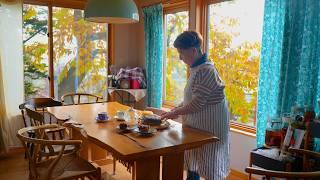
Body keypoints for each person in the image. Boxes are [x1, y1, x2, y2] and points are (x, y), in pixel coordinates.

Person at [160, 31, 230, 180]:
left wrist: (175, 113)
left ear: (193, 50)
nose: (180, 57)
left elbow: (197, 104)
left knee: (209, 166)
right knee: (194, 161)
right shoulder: (198, 69)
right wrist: (175, 110)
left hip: (211, 127)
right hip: (200, 125)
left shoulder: (206, 70)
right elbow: (191, 98)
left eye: (181, 53)